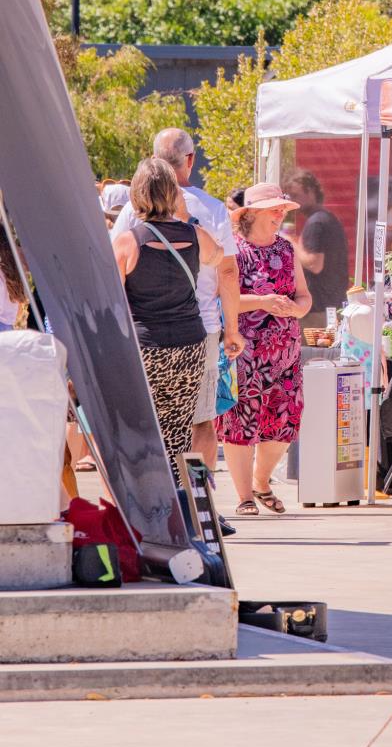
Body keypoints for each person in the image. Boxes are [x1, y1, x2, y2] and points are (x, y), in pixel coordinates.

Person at [110, 158, 243, 476]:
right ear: (173, 193)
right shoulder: (195, 236)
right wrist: (183, 216)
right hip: (190, 346)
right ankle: (184, 504)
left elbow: (113, 301)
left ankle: (153, 500)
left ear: (137, 195)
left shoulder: (128, 241)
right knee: (181, 430)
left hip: (147, 349)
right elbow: (220, 261)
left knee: (145, 428)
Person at [220, 182, 311, 514]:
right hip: (244, 350)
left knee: (286, 422)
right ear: (253, 213)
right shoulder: (233, 250)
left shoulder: (286, 249)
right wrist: (263, 301)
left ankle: (261, 481)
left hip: (284, 352)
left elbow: (303, 295)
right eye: (275, 209)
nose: (280, 215)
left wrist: (299, 309)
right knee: (240, 422)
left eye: (282, 210)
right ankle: (245, 496)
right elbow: (223, 298)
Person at [282, 170, 348, 328]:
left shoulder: (316, 222)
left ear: (311, 192)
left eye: (296, 195)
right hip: (329, 304)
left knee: (312, 353)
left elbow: (314, 264)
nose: (293, 201)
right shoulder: (326, 218)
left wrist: (289, 242)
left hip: (317, 309)